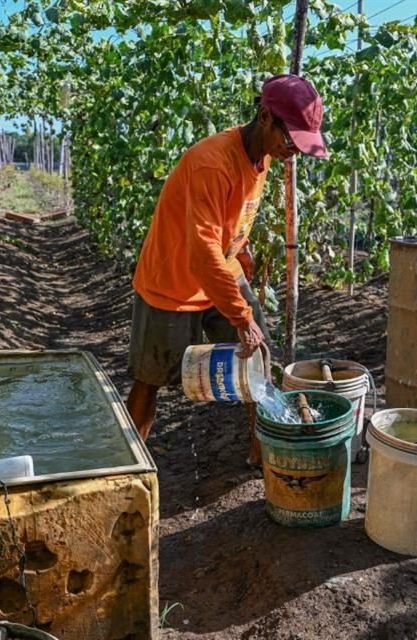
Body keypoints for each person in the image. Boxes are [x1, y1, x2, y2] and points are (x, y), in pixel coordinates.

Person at [126, 73, 328, 465]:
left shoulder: (264, 154)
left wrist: (243, 247)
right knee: (150, 379)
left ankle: (264, 456)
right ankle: (127, 467)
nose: (294, 152)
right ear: (266, 117)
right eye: (292, 140)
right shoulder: (211, 163)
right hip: (173, 279)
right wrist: (240, 315)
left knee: (259, 360)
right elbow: (202, 254)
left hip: (223, 267)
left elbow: (228, 219)